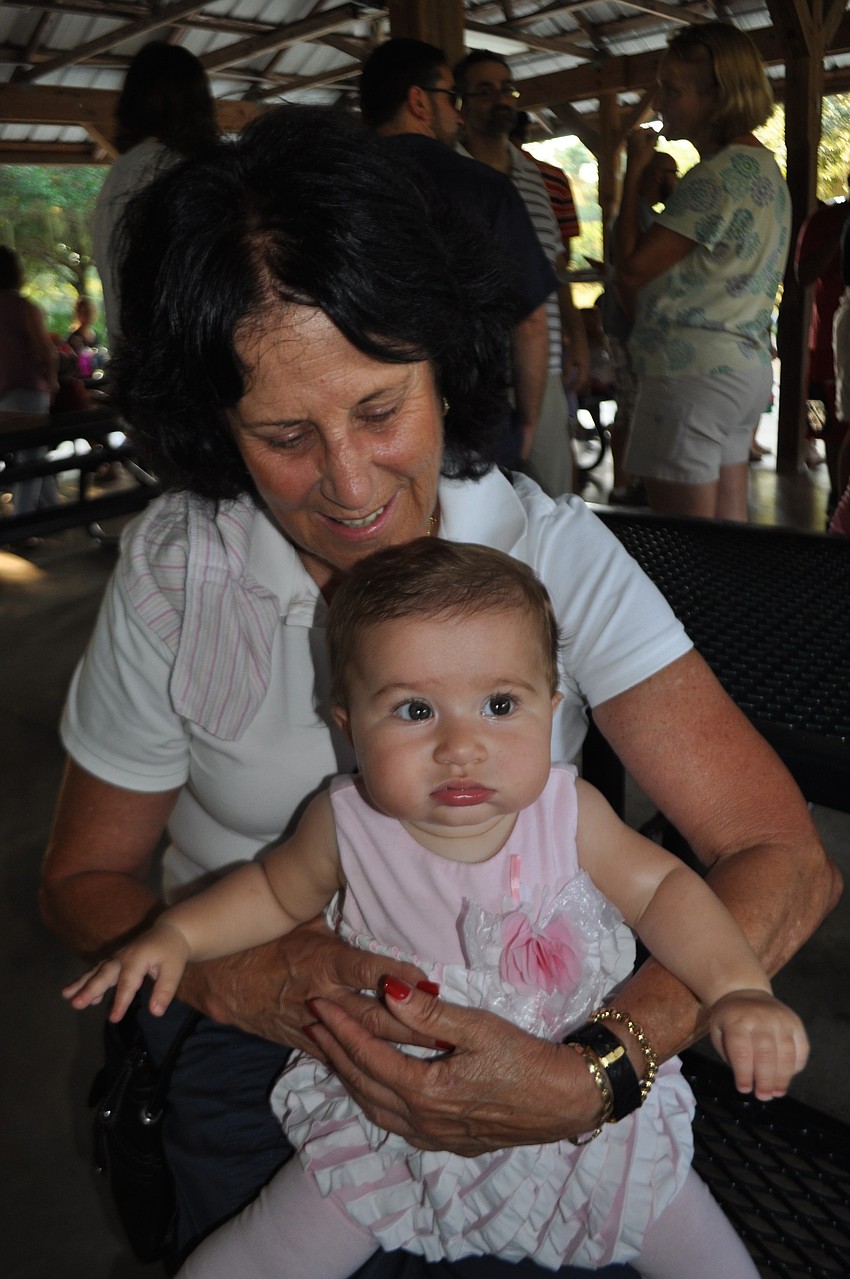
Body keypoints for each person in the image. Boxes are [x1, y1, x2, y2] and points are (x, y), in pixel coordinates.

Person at [40, 106, 839, 1279]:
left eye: (380, 408)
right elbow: (84, 877)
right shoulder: (180, 564)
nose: (351, 484)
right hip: (251, 1031)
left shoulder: (547, 552)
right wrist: (262, 979)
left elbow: (783, 854)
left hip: (543, 1027)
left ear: (442, 363)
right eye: (282, 434)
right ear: (215, 424)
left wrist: (598, 1066)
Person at [65, 538, 807, 1279]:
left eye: (500, 704)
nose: (461, 744)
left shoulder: (566, 811)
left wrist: (737, 985)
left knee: (702, 1247)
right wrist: (177, 933)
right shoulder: (347, 822)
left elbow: (663, 891)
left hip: (584, 1109)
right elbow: (268, 891)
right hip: (386, 1106)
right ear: (349, 723)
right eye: (416, 709)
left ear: (551, 711)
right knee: (263, 1253)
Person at [616, 23, 791, 521]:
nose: (659, 103)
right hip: (741, 370)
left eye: (671, 90)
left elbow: (630, 272)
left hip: (688, 375)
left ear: (716, 96)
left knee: (686, 555)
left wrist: (634, 175)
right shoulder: (764, 170)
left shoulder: (714, 177)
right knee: (726, 544)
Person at [359, 38, 555, 470]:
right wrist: (525, 425)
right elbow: (531, 323)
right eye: (451, 97)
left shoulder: (336, 192)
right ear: (419, 101)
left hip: (369, 427)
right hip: (471, 430)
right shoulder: (484, 189)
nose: (459, 112)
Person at [456, 49, 589, 498]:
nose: (500, 100)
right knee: (481, 498)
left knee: (551, 493)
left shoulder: (539, 177)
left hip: (542, 362)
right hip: (474, 374)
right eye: (485, 90)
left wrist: (577, 339)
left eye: (506, 89)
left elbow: (554, 270)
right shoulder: (452, 173)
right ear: (461, 102)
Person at [92, 40, 217, 342]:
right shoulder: (175, 171)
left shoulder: (120, 175)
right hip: (178, 362)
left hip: (132, 362)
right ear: (196, 103)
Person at [602, 150, 678, 504]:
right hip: (628, 328)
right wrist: (641, 325)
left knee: (635, 406)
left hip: (636, 328)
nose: (675, 180)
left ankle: (633, 483)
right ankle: (622, 486)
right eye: (670, 172)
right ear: (654, 176)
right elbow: (625, 282)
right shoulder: (633, 218)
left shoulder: (650, 218)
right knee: (630, 406)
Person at [794, 179, 850, 504]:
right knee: (821, 423)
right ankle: (834, 495)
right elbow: (803, 275)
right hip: (825, 348)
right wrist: (841, 231)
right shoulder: (822, 220)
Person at [0, 244, 59, 515]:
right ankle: (23, 523)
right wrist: (53, 381)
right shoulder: (23, 307)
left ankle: (53, 508)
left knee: (30, 453)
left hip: (3, 396)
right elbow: (44, 351)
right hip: (28, 390)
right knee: (33, 458)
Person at [509, 111, 581, 264]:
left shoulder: (481, 173)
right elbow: (564, 251)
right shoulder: (556, 177)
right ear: (526, 132)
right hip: (547, 275)